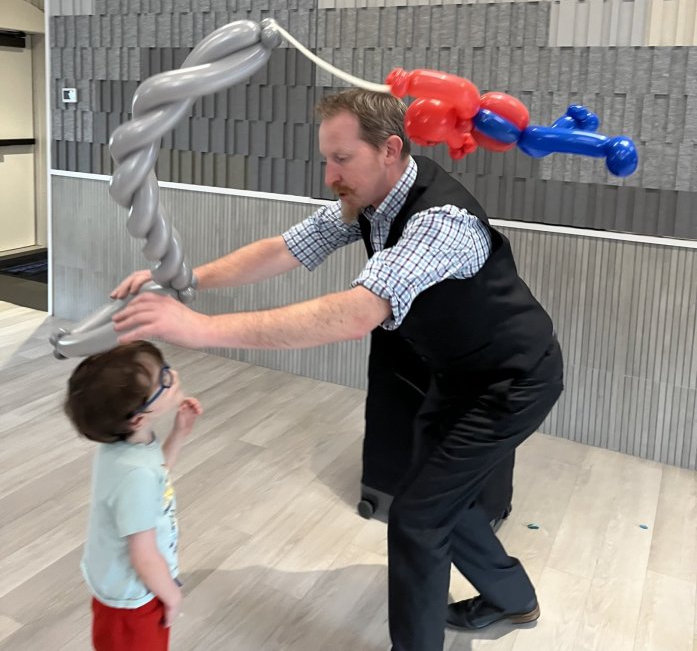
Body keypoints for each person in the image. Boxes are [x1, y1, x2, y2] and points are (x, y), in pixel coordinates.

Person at [111, 89, 564, 651]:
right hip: (457, 374)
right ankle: (513, 599)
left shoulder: (441, 221)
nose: (330, 174)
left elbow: (355, 314)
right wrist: (185, 284)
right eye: (327, 158)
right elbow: (286, 248)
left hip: (513, 379)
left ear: (390, 149)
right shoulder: (371, 200)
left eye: (342, 159)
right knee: (434, 499)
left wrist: (198, 329)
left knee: (418, 518)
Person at [64, 341, 203, 651]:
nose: (174, 375)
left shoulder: (125, 445)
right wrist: (171, 594)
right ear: (139, 418)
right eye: (164, 380)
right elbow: (143, 555)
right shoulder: (133, 473)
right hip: (134, 601)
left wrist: (178, 434)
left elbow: (156, 479)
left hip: (124, 588)